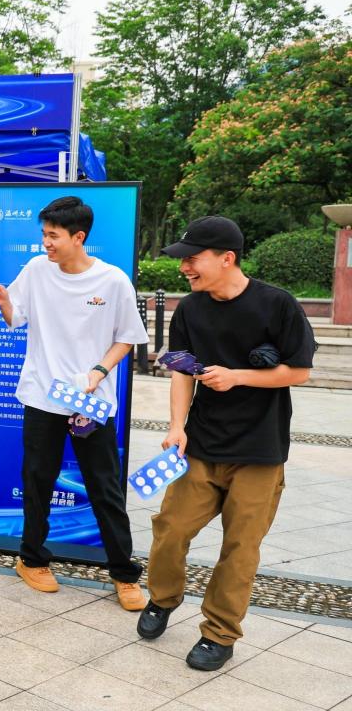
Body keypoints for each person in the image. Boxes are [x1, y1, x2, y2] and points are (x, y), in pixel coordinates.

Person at [137, 216, 315, 671]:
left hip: (259, 452)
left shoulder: (277, 304)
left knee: (240, 548)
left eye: (192, 259)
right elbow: (182, 370)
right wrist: (177, 426)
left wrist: (238, 377)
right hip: (201, 445)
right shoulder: (190, 310)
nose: (184, 268)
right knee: (170, 529)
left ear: (226, 258)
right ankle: (163, 598)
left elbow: (299, 371)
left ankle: (219, 633)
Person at [0, 196, 148, 610]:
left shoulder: (113, 281)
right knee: (37, 480)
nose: (46, 243)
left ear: (78, 237)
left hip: (91, 401)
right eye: (44, 235)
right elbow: (16, 318)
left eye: (53, 236)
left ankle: (124, 574)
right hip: (42, 396)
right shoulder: (37, 270)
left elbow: (127, 337)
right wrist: (4, 303)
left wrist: (98, 372)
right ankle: (32, 559)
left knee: (104, 486)